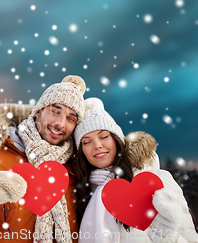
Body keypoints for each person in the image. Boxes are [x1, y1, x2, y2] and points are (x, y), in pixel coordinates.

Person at [0, 75, 87, 243]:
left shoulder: (77, 164)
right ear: (37, 112)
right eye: (55, 111)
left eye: (71, 118)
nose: (60, 123)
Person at [73, 97, 198, 243]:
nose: (97, 145)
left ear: (117, 140)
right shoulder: (83, 194)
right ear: (81, 151)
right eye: (87, 142)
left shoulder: (158, 180)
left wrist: (164, 236)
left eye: (104, 136)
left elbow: (190, 238)